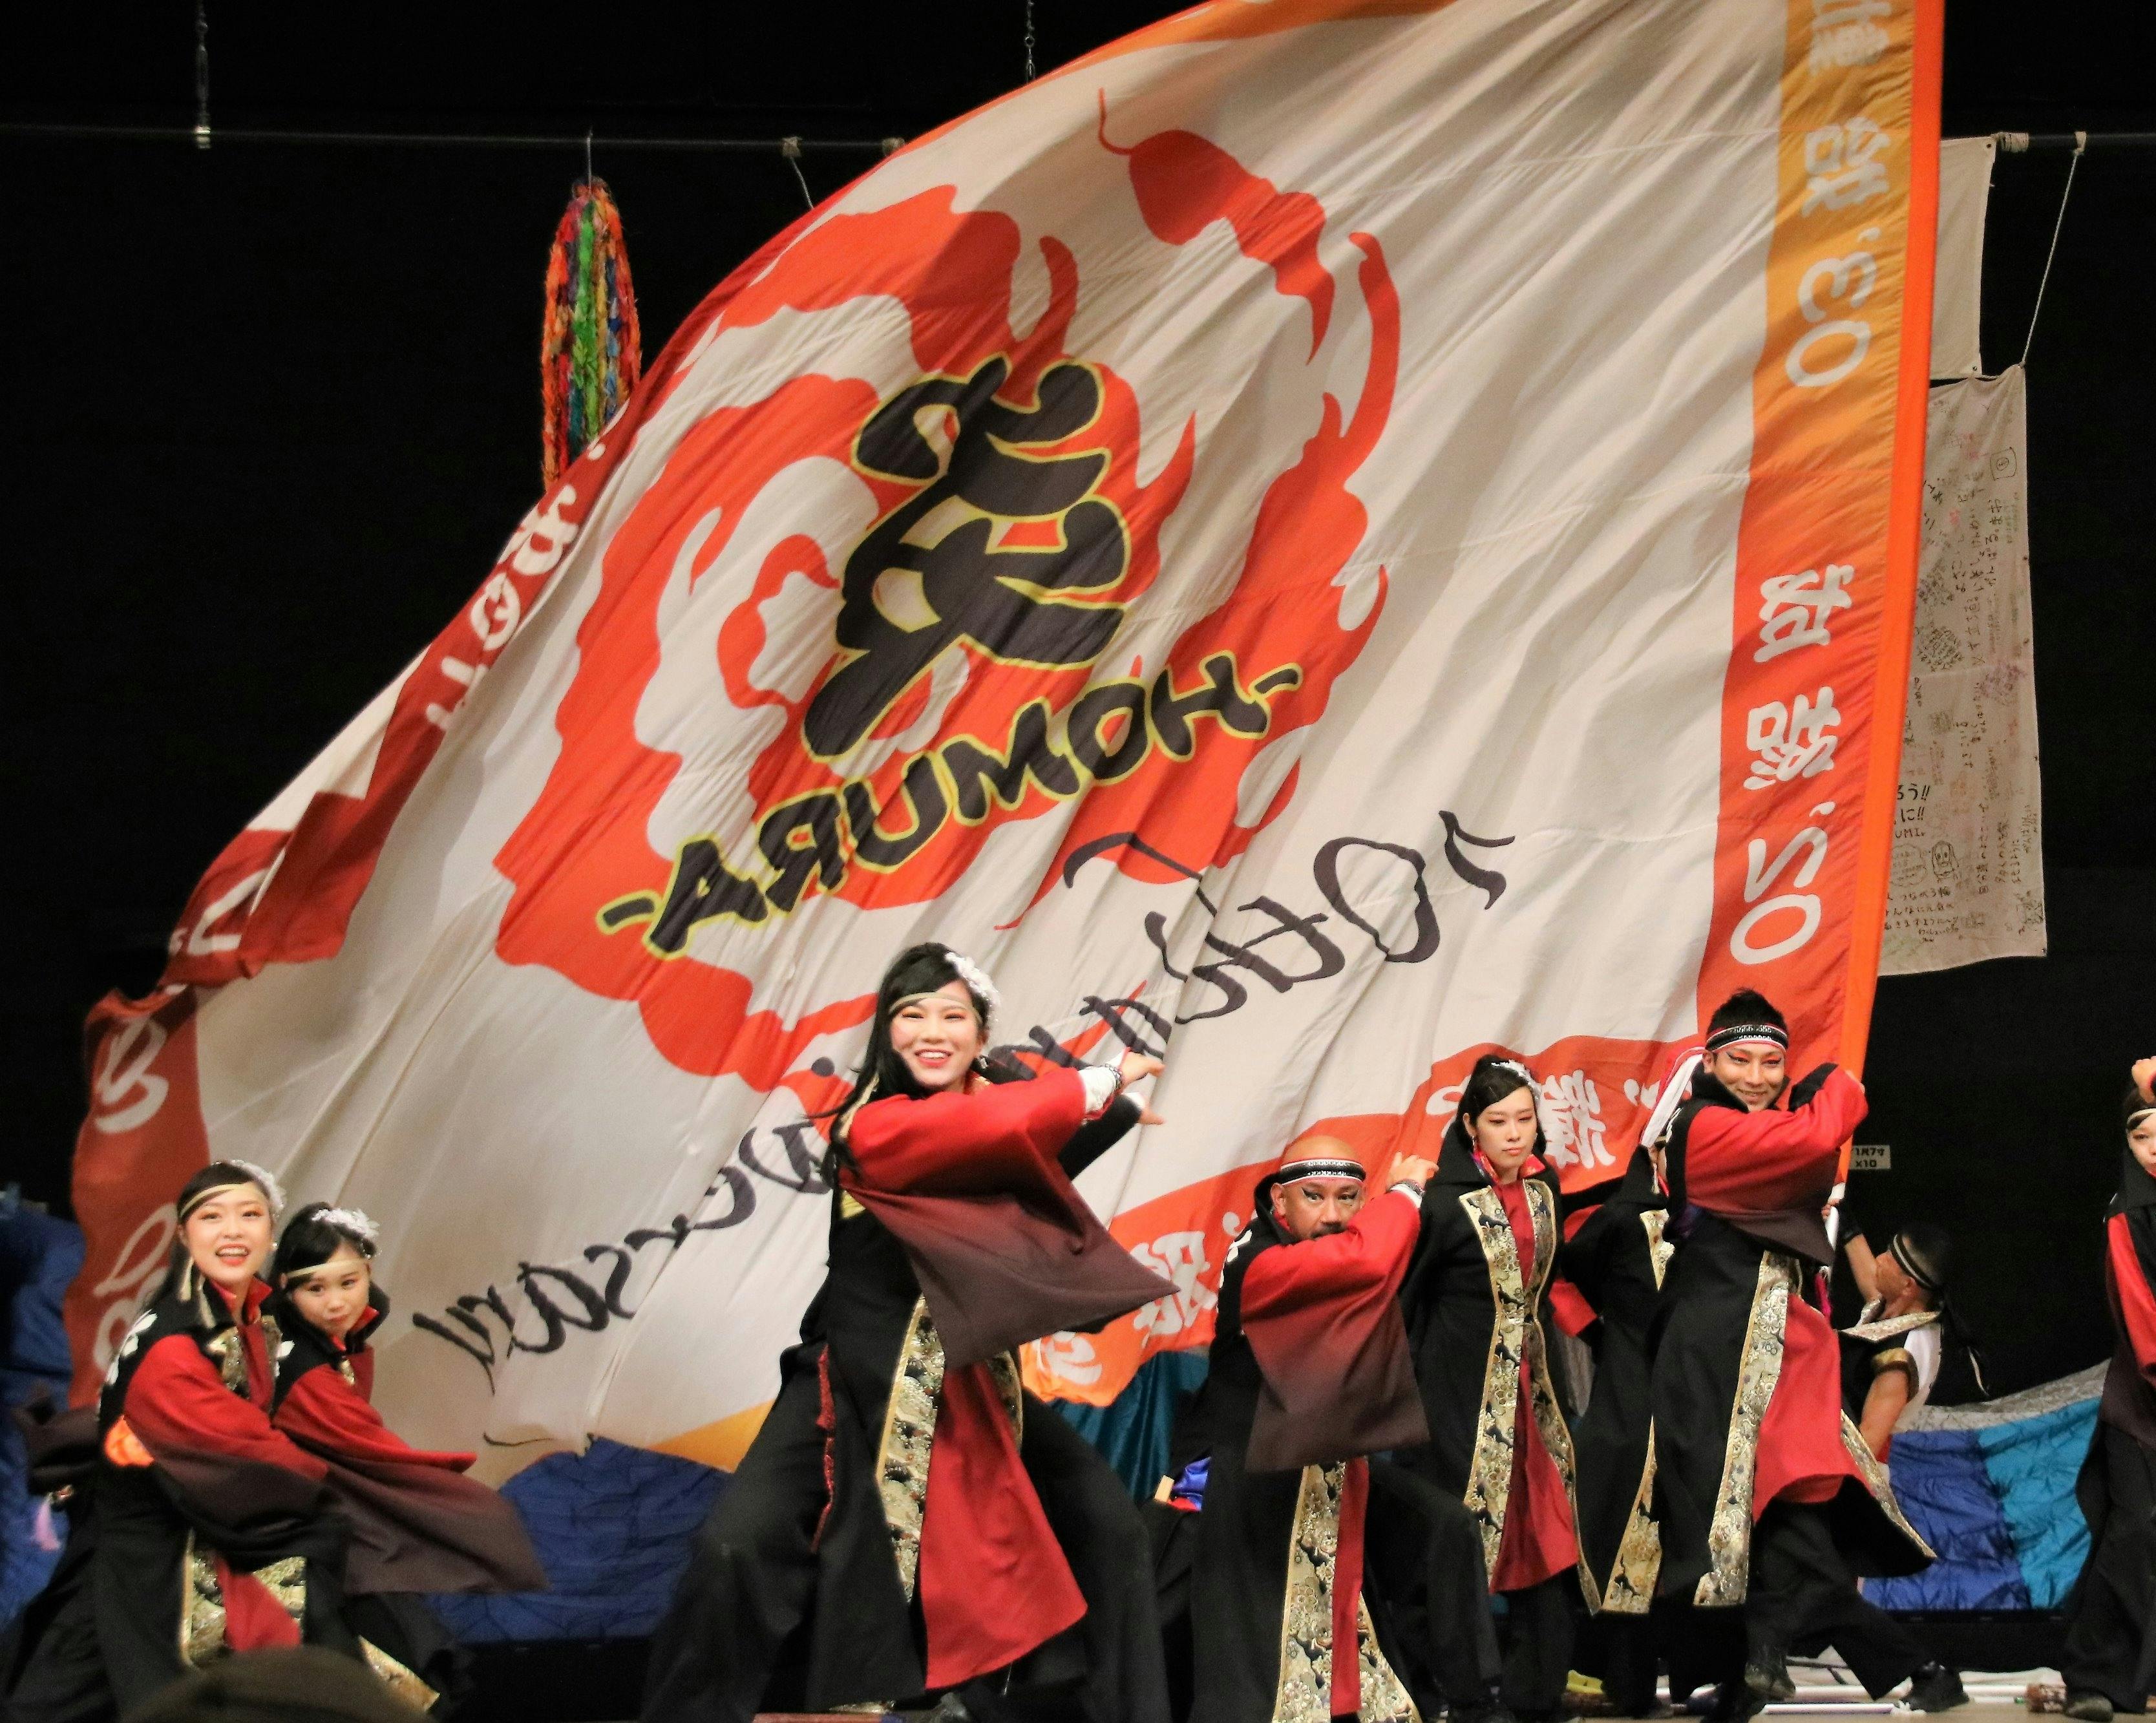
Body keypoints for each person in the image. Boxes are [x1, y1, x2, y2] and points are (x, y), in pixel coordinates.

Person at [642, 942, 1177, 1723]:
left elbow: (1022, 1145)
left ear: (980, 1034)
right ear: (887, 1032)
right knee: (735, 1546)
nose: (932, 1030)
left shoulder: (992, 1114)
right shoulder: (875, 1125)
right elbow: (988, 1129)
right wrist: (1097, 1083)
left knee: (1107, 1527)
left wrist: (1112, 1112)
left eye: (952, 1015)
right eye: (911, 1013)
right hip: (849, 1383)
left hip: (968, 1386)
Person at [1647, 991, 1949, 1720]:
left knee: (1781, 1510)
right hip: (1716, 1348)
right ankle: (1793, 1663)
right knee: (1741, 1518)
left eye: (1771, 1062)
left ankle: (1759, 1667)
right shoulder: (1701, 1126)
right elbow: (1809, 1143)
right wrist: (1839, 1085)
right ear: (1710, 1061)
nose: (1756, 1077)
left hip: (1777, 1348)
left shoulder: (1763, 1125)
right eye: (1740, 1060)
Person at [5, 1162, 355, 1723]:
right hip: (153, 1563)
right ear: (184, 1236)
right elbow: (250, 1456)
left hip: (173, 1545)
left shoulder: (253, 1317)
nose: (232, 1231)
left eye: (249, 1215)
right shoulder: (174, 1345)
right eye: (211, 1217)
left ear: (271, 1232)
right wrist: (336, 1484)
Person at [1189, 1136, 1503, 1723]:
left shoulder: (1319, 1245)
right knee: (1268, 1650)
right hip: (1262, 1470)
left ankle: (1471, 1700)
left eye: (1349, 1199)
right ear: (1280, 1201)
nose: (1333, 1215)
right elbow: (1363, 1261)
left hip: (1331, 1461)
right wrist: (1404, 1194)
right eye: (1314, 1197)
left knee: (1445, 1529)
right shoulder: (1259, 1260)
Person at [267, 1203, 547, 1709]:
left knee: (396, 1679)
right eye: (316, 1289)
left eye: (348, 1283)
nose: (336, 1302)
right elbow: (377, 1456)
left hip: (332, 1536)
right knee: (386, 1681)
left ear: (368, 1274)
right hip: (299, 1549)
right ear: (286, 1288)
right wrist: (462, 1499)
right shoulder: (304, 1371)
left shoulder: (333, 1344)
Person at [1398, 1055, 1585, 1722]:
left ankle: (1537, 1688)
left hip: (1534, 1389)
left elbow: (1548, 1286)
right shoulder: (1443, 1203)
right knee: (1458, 1534)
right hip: (1457, 1389)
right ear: (1471, 1126)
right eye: (1499, 1121)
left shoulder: (1545, 1187)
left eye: (1524, 1119)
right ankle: (1451, 1688)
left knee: (1547, 1528)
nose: (1514, 1133)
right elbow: (1407, 1299)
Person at [1561, 1121, 1675, 1717]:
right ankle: (1620, 1683)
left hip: (1691, 1406)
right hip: (1631, 1405)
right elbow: (1556, 1276)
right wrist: (1598, 1335)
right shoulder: (1621, 1219)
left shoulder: (1713, 1220)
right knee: (1622, 1532)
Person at [2060, 1059, 2156, 1722]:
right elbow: (2143, 1320)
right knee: (2136, 1532)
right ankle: (2093, 1674)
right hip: (2143, 1405)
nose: (2154, 1150)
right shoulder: (2129, 1213)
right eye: (2142, 1136)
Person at [1840, 1223, 1958, 1464]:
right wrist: (1846, 1226)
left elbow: (1865, 1446)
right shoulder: (1903, 1308)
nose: (1879, 1260)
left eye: (1889, 1258)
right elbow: (1872, 1284)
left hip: (1847, 1461)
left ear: (1908, 1285)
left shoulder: (1899, 1360)